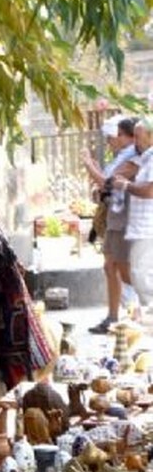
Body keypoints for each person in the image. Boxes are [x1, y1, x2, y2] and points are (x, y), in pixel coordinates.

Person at [81, 116, 138, 333]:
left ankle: (136, 311)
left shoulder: (133, 156)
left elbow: (107, 181)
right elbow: (106, 184)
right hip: (115, 217)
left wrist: (88, 164)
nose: (112, 140)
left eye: (116, 136)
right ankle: (112, 318)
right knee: (110, 266)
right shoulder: (121, 155)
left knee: (125, 271)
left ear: (127, 136)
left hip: (126, 218)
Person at [113, 115, 153, 315]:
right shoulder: (145, 159)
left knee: (141, 276)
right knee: (139, 275)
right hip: (140, 228)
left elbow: (150, 191)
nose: (135, 142)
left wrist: (126, 185)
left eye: (139, 137)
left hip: (148, 228)